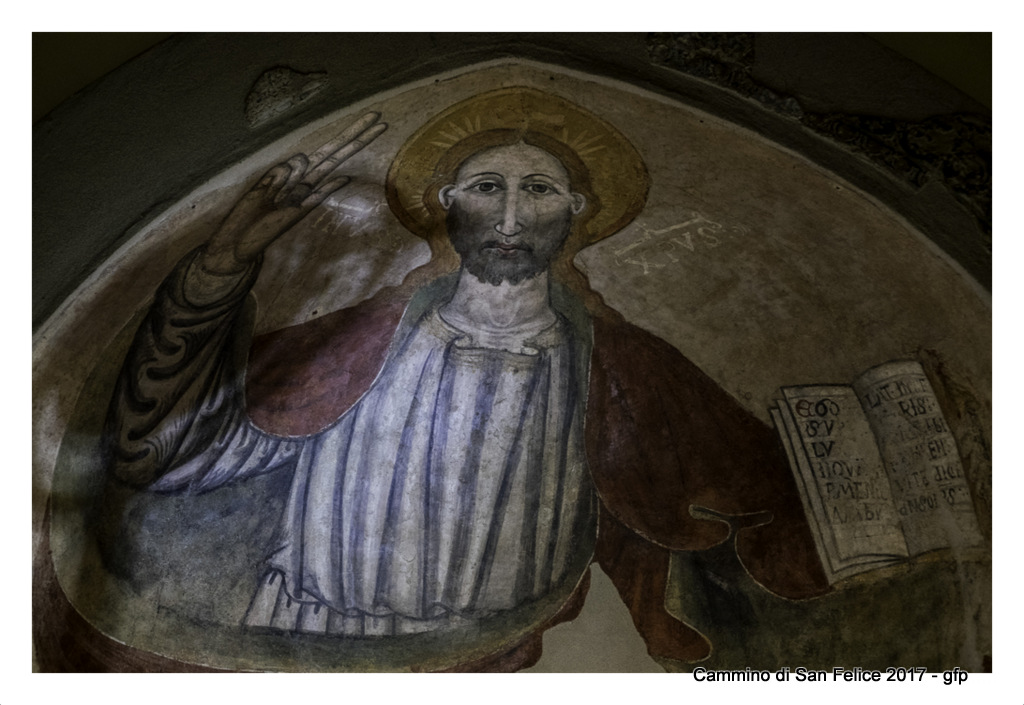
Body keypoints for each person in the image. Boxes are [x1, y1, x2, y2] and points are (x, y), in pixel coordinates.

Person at [103, 92, 829, 671]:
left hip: (522, 654)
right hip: (317, 643)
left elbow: (759, 484)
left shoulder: (623, 364)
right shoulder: (354, 345)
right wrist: (216, 275)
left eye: (539, 189)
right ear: (445, 202)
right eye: (487, 187)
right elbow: (180, 449)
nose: (511, 216)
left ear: (577, 212)